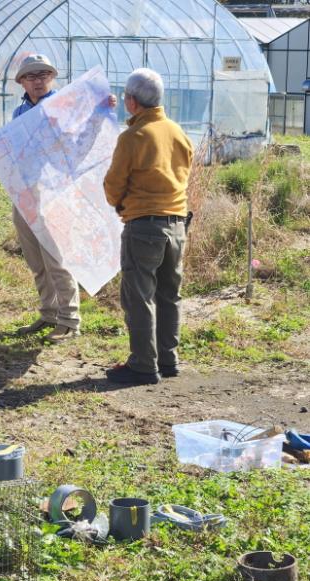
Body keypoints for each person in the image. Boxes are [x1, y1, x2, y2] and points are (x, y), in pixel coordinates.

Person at [0, 54, 116, 342]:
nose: (38, 80)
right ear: (22, 82)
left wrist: (99, 113)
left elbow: (81, 142)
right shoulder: (20, 114)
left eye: (43, 75)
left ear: (52, 78)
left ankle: (70, 319)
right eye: (31, 76)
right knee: (35, 259)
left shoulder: (63, 107)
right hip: (26, 196)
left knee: (57, 257)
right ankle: (49, 312)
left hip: (55, 195)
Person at [103, 68, 193, 385]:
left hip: (144, 226)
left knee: (139, 296)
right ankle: (168, 360)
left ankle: (143, 364)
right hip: (178, 224)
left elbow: (113, 184)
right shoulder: (178, 132)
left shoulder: (132, 137)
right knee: (170, 294)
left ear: (132, 102)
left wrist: (120, 204)